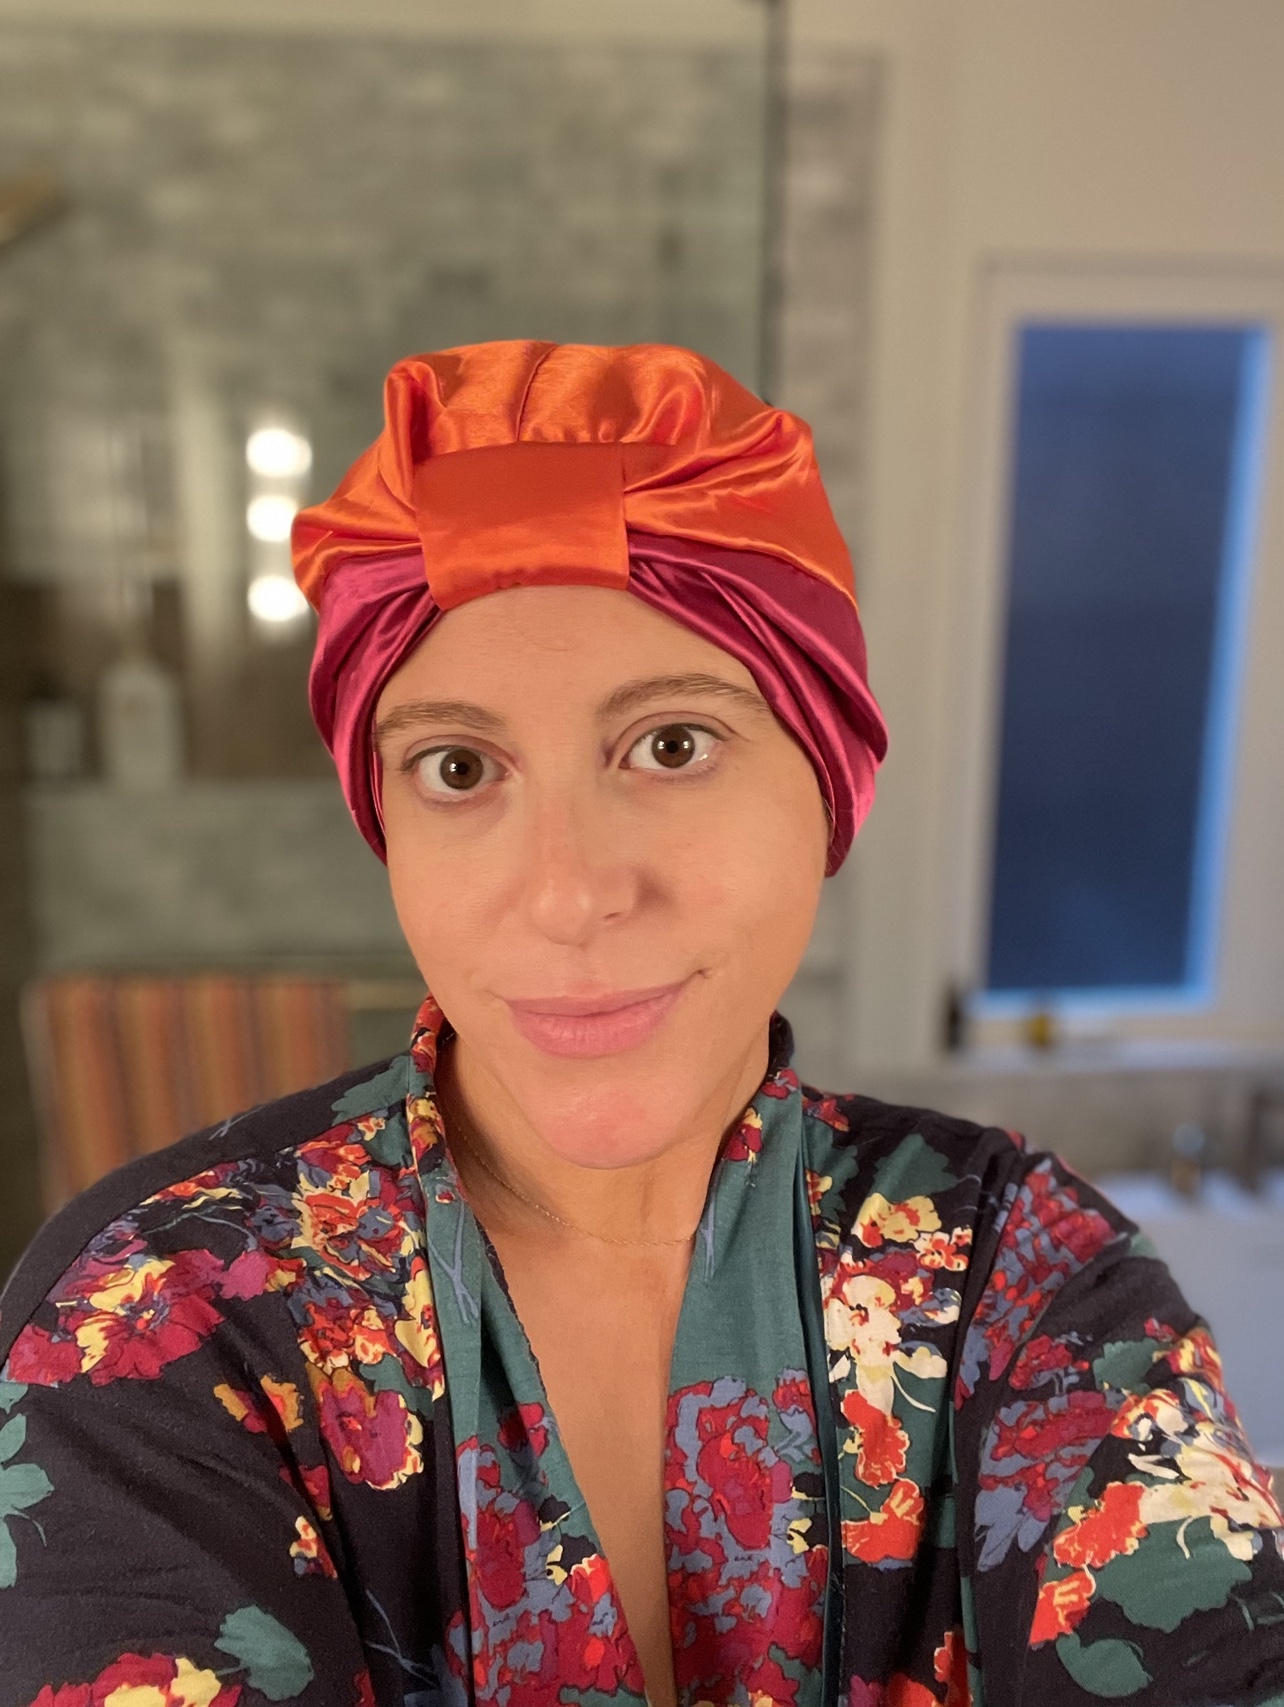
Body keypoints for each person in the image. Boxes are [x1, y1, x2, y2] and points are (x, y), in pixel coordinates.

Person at [0, 341, 1280, 1707]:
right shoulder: (157, 1314)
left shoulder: (1021, 1277)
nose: (568, 894)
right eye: (457, 766)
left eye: (672, 743)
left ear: (828, 783)